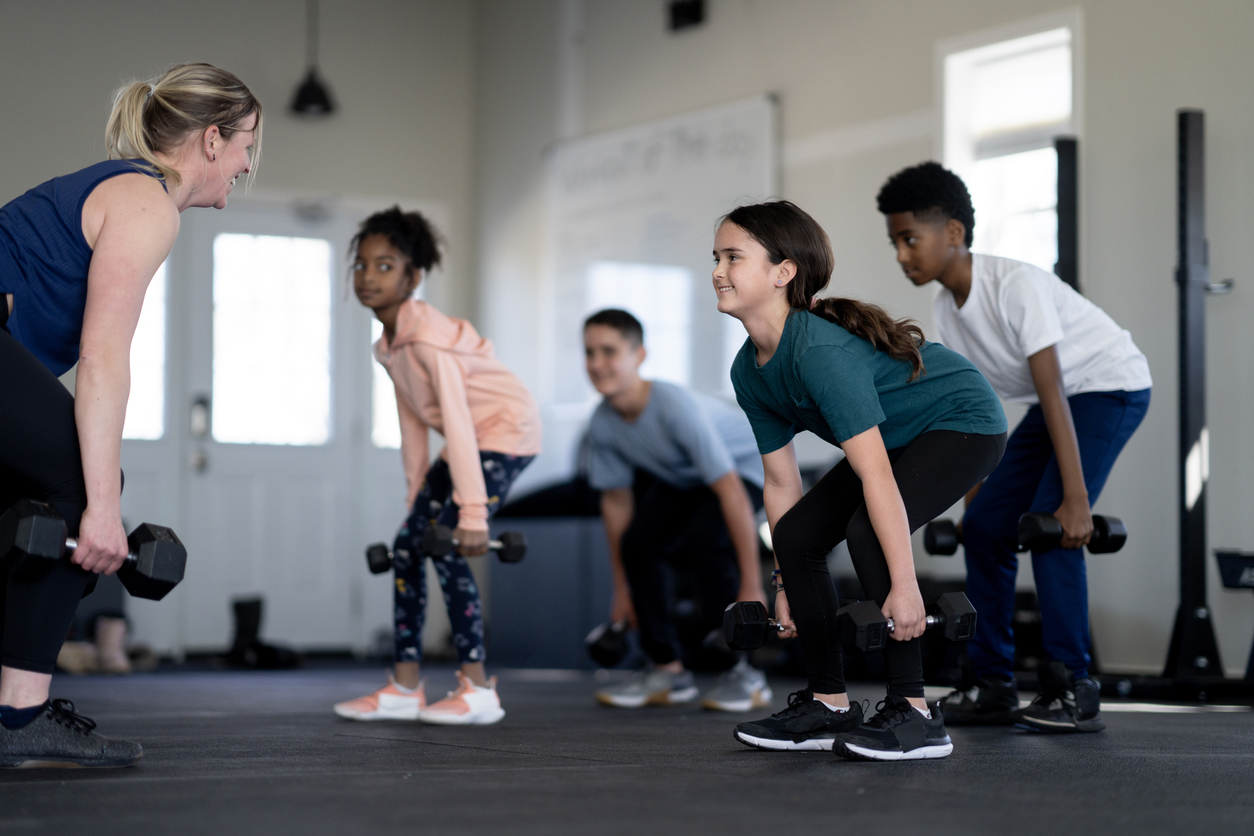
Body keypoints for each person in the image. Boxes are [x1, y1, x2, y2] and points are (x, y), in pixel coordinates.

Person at [0, 63, 260, 768]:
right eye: (244, 148)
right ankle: (18, 719)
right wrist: (104, 508)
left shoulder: (112, 189)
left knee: (25, 497)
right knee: (80, 486)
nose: (243, 167)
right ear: (211, 140)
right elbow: (104, 357)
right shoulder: (147, 205)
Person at [716, 200, 1007, 761]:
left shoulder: (818, 352)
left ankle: (917, 714)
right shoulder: (748, 369)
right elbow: (780, 485)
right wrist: (785, 589)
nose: (718, 271)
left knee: (866, 532)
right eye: (717, 257)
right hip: (895, 438)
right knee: (799, 535)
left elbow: (875, 476)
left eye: (734, 257)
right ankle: (827, 703)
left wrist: (904, 587)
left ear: (783, 272)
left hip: (960, 420)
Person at [877, 162, 1151, 733]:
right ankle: (991, 683)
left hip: (1109, 387)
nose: (903, 255)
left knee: (1051, 528)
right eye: (895, 243)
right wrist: (980, 495)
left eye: (911, 239)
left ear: (953, 233)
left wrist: (1074, 500)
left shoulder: (1014, 285)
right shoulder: (944, 309)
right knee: (984, 528)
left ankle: (1071, 686)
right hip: (1052, 405)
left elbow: (1051, 389)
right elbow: (979, 410)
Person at [334, 207, 541, 726]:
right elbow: (412, 422)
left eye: (384, 266)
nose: (367, 277)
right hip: (470, 441)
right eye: (361, 265)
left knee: (444, 545)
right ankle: (405, 687)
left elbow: (459, 422)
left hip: (506, 434)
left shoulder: (427, 338)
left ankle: (477, 689)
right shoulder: (391, 344)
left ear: (413, 277)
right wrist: (414, 502)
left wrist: (471, 516)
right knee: (409, 544)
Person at [583, 309, 771, 712]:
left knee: (706, 537)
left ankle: (744, 673)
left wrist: (752, 589)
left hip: (747, 470)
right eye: (589, 352)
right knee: (639, 543)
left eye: (609, 351)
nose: (597, 364)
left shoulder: (673, 407)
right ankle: (667, 671)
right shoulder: (602, 423)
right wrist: (622, 591)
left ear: (639, 355)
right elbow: (616, 503)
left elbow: (732, 493)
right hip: (685, 478)